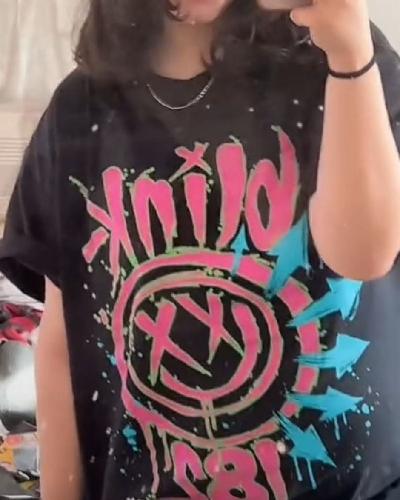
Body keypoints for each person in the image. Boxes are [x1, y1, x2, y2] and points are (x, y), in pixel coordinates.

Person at [1, 0, 400, 498]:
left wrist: (349, 52)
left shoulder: (346, 62)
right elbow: (61, 345)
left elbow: (363, 253)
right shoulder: (79, 111)